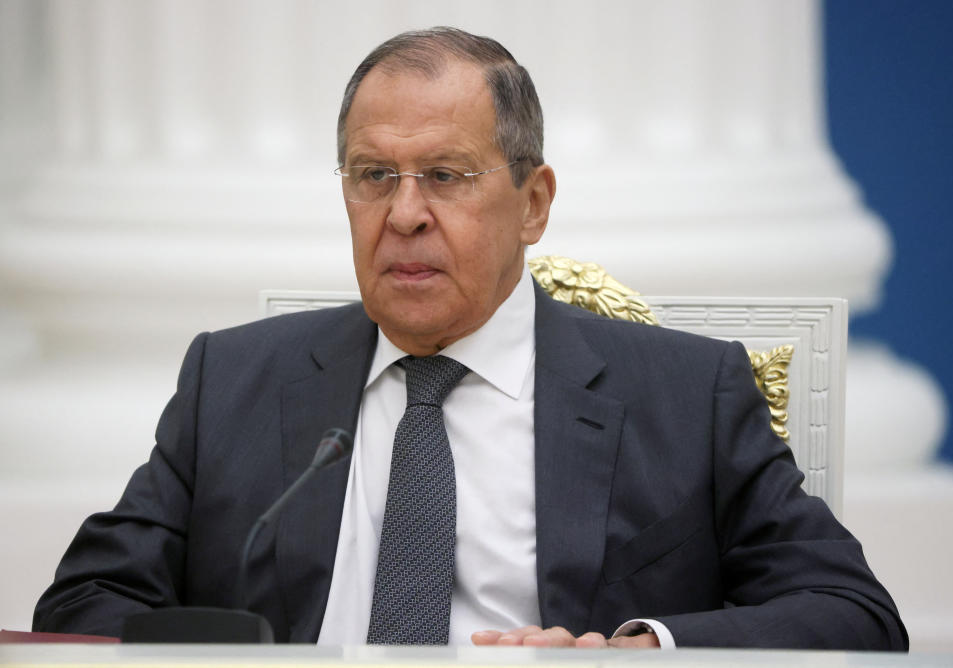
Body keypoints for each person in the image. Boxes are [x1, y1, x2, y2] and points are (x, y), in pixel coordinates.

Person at [34, 27, 907, 651]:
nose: (404, 214)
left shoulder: (687, 395)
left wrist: (642, 649)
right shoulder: (235, 379)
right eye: (374, 176)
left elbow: (851, 611)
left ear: (533, 203)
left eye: (446, 177)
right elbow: (86, 602)